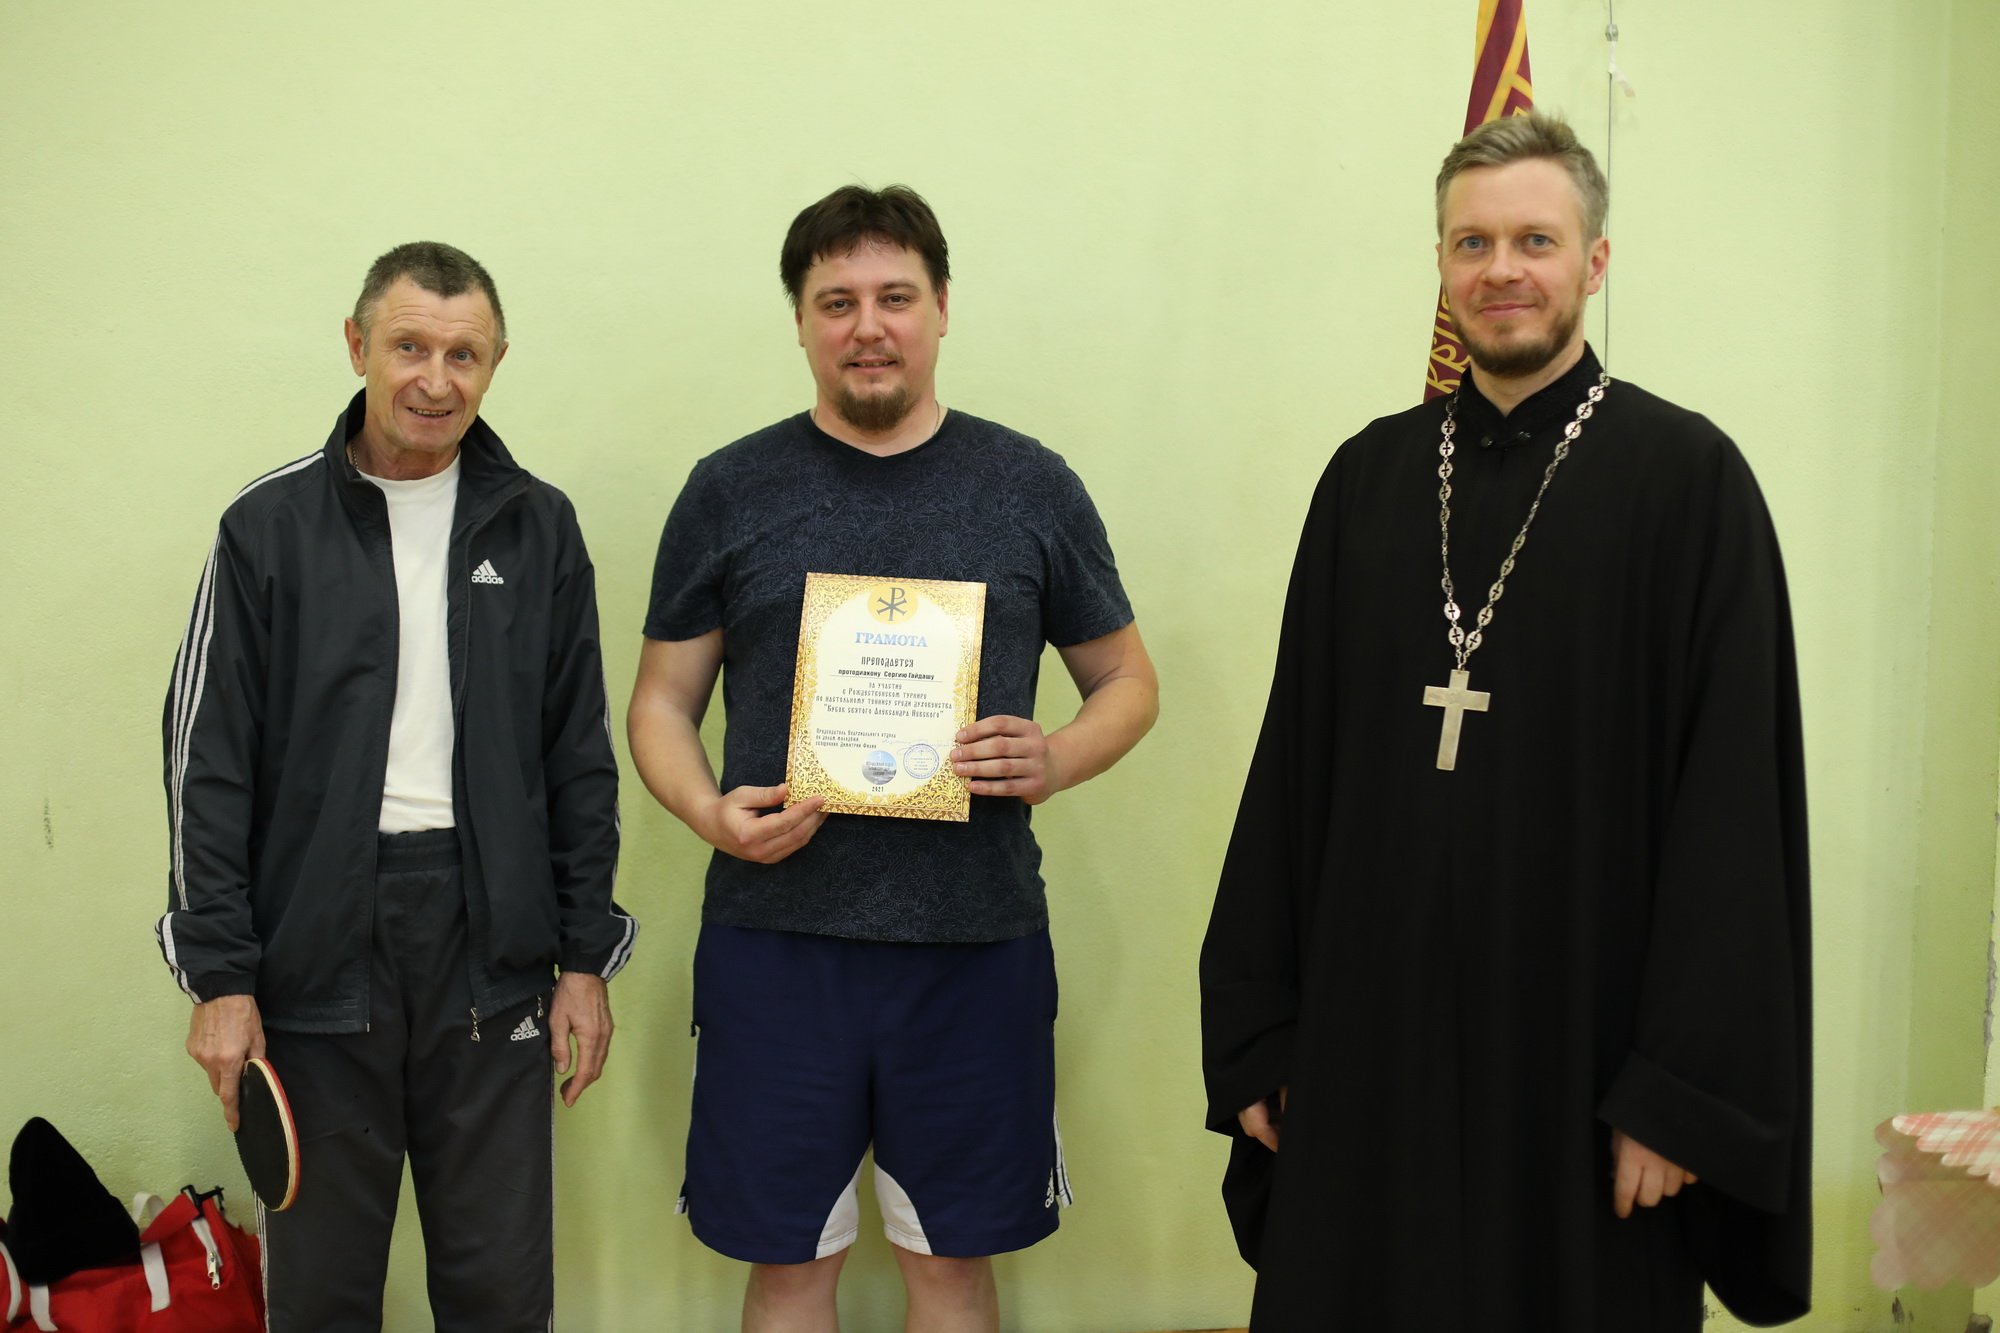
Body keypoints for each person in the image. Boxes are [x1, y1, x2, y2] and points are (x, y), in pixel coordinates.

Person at [1199, 114, 1810, 1331]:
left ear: (1593, 261)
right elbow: (1291, 773)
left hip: (1583, 1059)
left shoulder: (1687, 483)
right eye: (1470, 243)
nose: (1500, 269)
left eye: (1535, 239)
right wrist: (1261, 1027)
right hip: (1371, 1046)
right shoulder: (1366, 481)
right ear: (1439, 264)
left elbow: (1734, 812)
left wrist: (1676, 1095)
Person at [629, 184, 1158, 1333]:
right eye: (836, 302)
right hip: (775, 942)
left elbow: (1127, 681)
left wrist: (1056, 755)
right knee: (786, 1269)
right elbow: (661, 702)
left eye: (894, 297)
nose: (866, 326)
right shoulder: (728, 489)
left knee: (951, 1269)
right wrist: (708, 813)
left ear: (942, 307)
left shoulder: (1029, 485)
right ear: (800, 320)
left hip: (973, 945)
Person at [157, 242, 638, 1331]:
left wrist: (582, 957)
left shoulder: (538, 526)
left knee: (501, 1293)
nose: (435, 379)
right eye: (409, 346)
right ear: (356, 346)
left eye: (464, 354)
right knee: (322, 1293)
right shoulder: (267, 527)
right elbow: (206, 762)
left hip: (494, 950)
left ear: (496, 362)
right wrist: (220, 975)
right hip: (317, 951)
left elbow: (578, 755)